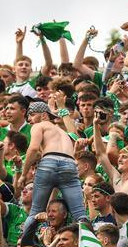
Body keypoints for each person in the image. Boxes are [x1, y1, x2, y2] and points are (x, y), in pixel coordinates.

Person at [19, 101, 88, 236]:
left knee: (35, 212)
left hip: (49, 163)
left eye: (32, 115)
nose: (29, 119)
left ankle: (24, 246)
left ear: (44, 115)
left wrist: (23, 174)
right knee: (80, 214)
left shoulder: (40, 126)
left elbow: (33, 149)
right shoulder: (63, 133)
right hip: (69, 165)